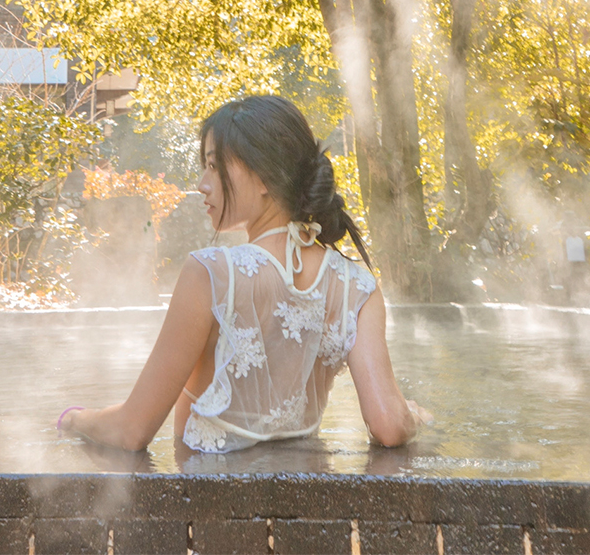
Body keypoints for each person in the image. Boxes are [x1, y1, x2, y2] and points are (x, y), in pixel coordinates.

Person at [59, 96, 430, 453]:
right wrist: (411, 415)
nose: (203, 184)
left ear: (265, 176)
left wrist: (76, 420)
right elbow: (389, 425)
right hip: (306, 506)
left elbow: (131, 430)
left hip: (210, 507)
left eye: (215, 166)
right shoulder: (357, 287)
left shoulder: (211, 273)